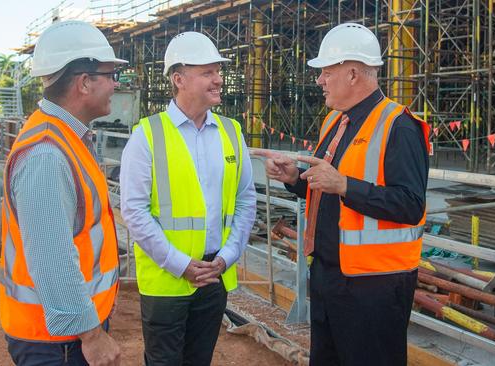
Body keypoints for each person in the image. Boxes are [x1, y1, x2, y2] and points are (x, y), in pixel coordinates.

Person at [254, 23, 430, 366]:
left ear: (352, 73)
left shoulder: (399, 126)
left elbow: (410, 205)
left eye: (326, 72)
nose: (320, 80)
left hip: (374, 288)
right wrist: (295, 179)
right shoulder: (335, 123)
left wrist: (346, 185)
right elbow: (328, 188)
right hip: (328, 277)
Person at [119, 31, 256, 365]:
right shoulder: (147, 135)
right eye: (208, 72)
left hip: (214, 276)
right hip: (167, 283)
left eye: (218, 71)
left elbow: (245, 200)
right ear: (179, 79)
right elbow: (134, 211)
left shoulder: (231, 131)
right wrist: (180, 265)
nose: (219, 79)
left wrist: (228, 255)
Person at [0, 20, 126, 366]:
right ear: (84, 82)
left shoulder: (64, 138)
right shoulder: (47, 153)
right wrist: (92, 335)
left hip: (62, 334)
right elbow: (51, 255)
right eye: (111, 75)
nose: (116, 84)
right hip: (57, 341)